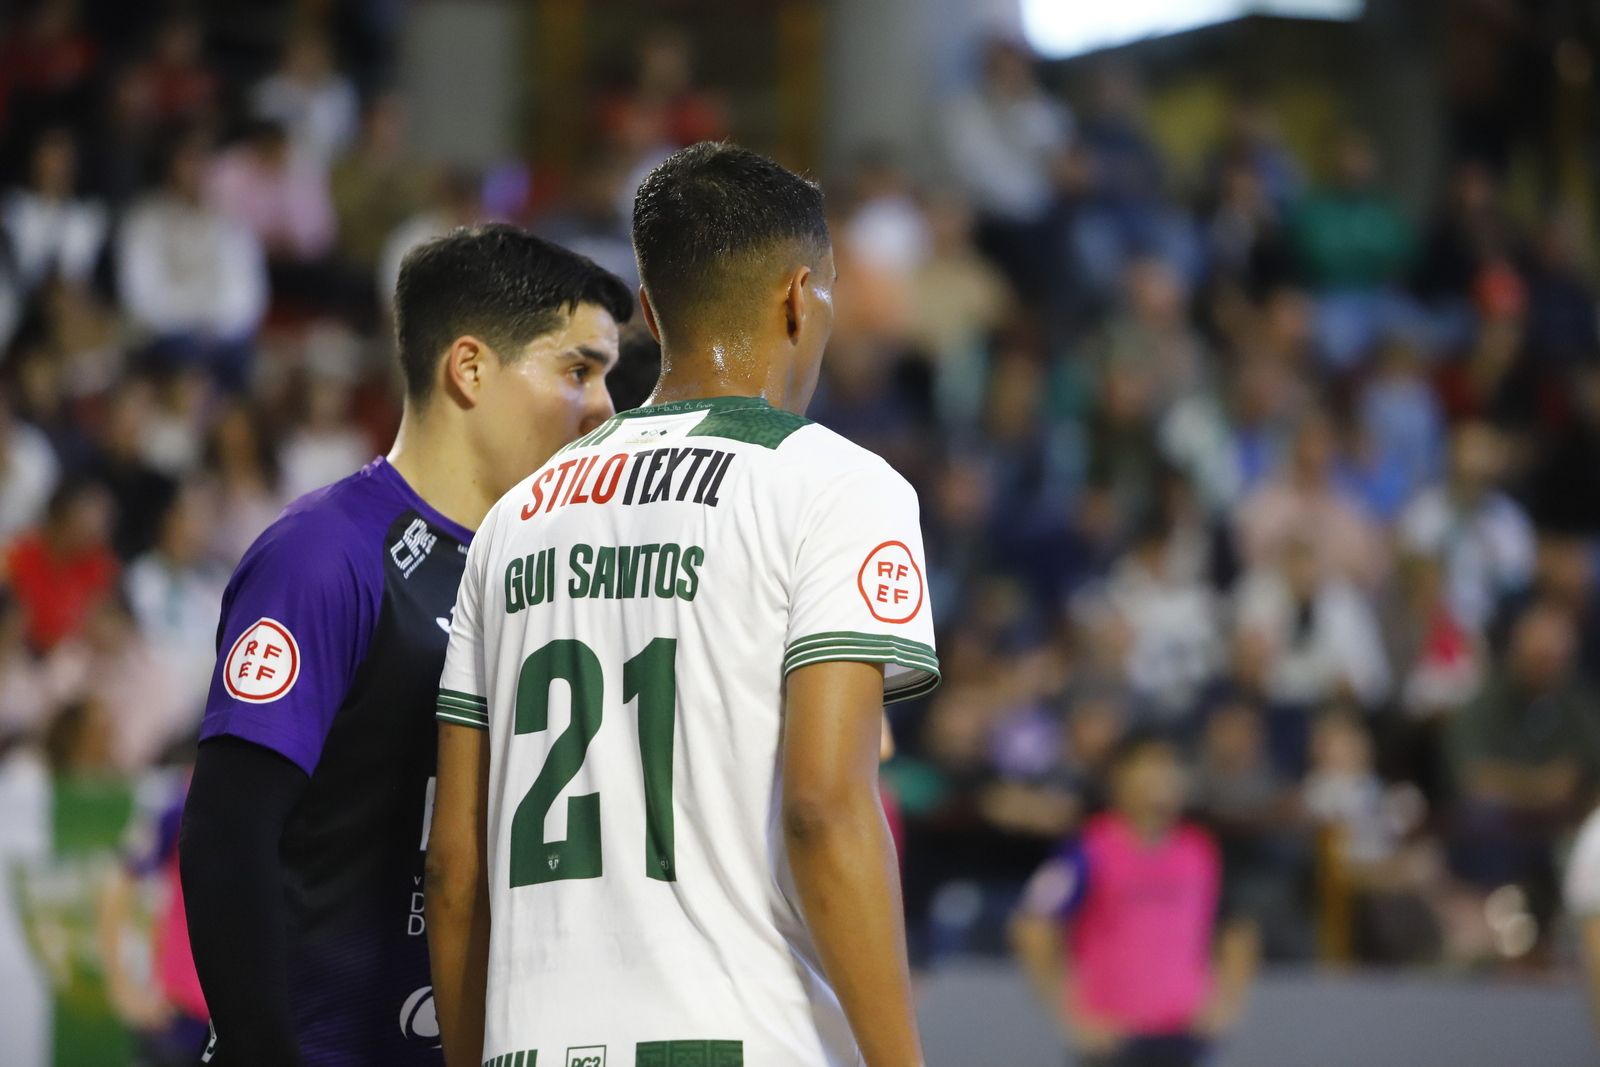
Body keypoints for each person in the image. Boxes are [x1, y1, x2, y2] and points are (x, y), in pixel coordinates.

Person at [427, 142, 938, 1067]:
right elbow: (826, 808)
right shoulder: (835, 485)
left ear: (652, 313)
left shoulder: (511, 521)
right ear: (801, 298)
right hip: (741, 1037)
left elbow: (455, 866)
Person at [178, 224, 632, 1066]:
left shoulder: (539, 572)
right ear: (468, 368)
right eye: (579, 369)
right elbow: (227, 832)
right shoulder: (323, 554)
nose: (605, 406)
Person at [1010, 731, 1258, 1067]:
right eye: (1149, 767)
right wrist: (1068, 1011)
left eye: (1171, 768)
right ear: (1119, 777)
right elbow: (1033, 923)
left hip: (1186, 1035)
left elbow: (1238, 929)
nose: (1162, 778)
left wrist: (1227, 1003)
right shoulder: (1087, 849)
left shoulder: (1200, 850)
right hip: (1113, 1040)